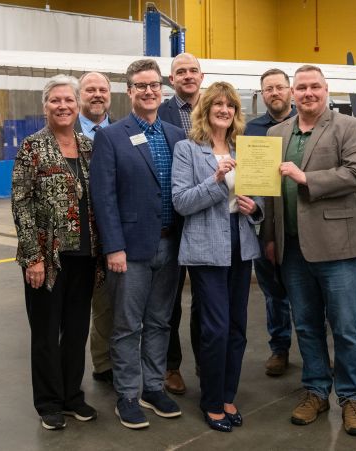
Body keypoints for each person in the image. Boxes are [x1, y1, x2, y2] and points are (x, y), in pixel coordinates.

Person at [262, 65, 356, 436]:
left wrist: (306, 178)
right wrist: (271, 238)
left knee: (346, 328)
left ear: (326, 90)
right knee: (306, 326)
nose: (308, 93)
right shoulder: (277, 133)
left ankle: (352, 397)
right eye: (302, 87)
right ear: (292, 93)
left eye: (315, 87)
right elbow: (271, 191)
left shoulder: (349, 127)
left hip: (339, 248)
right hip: (292, 249)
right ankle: (316, 391)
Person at [90, 58, 186, 430]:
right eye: (141, 86)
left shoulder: (177, 136)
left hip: (170, 245)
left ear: (162, 90)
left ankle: (152, 386)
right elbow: (104, 197)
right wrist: (113, 247)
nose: (149, 91)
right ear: (129, 92)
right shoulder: (111, 136)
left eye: (154, 85)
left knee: (161, 321)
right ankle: (128, 394)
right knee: (128, 324)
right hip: (130, 250)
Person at [172, 81, 263, 432]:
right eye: (217, 105)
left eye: (230, 106)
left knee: (238, 327)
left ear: (236, 112)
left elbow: (261, 200)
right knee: (216, 328)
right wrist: (216, 179)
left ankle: (227, 394)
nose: (224, 110)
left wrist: (254, 207)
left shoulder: (246, 148)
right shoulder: (187, 149)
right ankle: (211, 401)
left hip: (241, 246)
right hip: (206, 249)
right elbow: (181, 202)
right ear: (206, 110)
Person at [11, 74, 100, 430]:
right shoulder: (32, 147)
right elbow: (22, 203)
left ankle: (71, 397)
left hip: (86, 256)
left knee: (77, 331)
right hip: (46, 258)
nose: (63, 106)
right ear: (45, 106)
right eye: (55, 101)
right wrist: (32, 257)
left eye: (68, 100)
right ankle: (48, 402)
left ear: (78, 106)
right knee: (46, 332)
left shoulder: (89, 147)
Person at [244, 68, 296, 377]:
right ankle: (280, 347)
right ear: (262, 94)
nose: (274, 93)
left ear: (289, 90)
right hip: (263, 222)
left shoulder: (305, 124)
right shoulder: (252, 129)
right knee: (273, 291)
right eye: (268, 89)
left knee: (308, 291)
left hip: (299, 221)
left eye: (279, 87)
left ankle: (315, 348)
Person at [158, 52, 205, 395]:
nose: (187, 76)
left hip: (209, 218)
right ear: (171, 80)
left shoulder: (219, 107)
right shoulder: (158, 113)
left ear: (201, 76)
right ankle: (171, 366)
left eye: (192, 70)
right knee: (169, 303)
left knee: (206, 302)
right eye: (180, 72)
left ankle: (206, 361)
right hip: (174, 221)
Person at [74, 71, 116, 384]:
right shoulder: (60, 132)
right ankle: (68, 377)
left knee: (107, 307)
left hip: (112, 238)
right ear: (79, 96)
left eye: (102, 89)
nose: (97, 94)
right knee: (72, 312)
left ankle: (105, 366)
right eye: (90, 89)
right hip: (74, 240)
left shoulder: (122, 132)